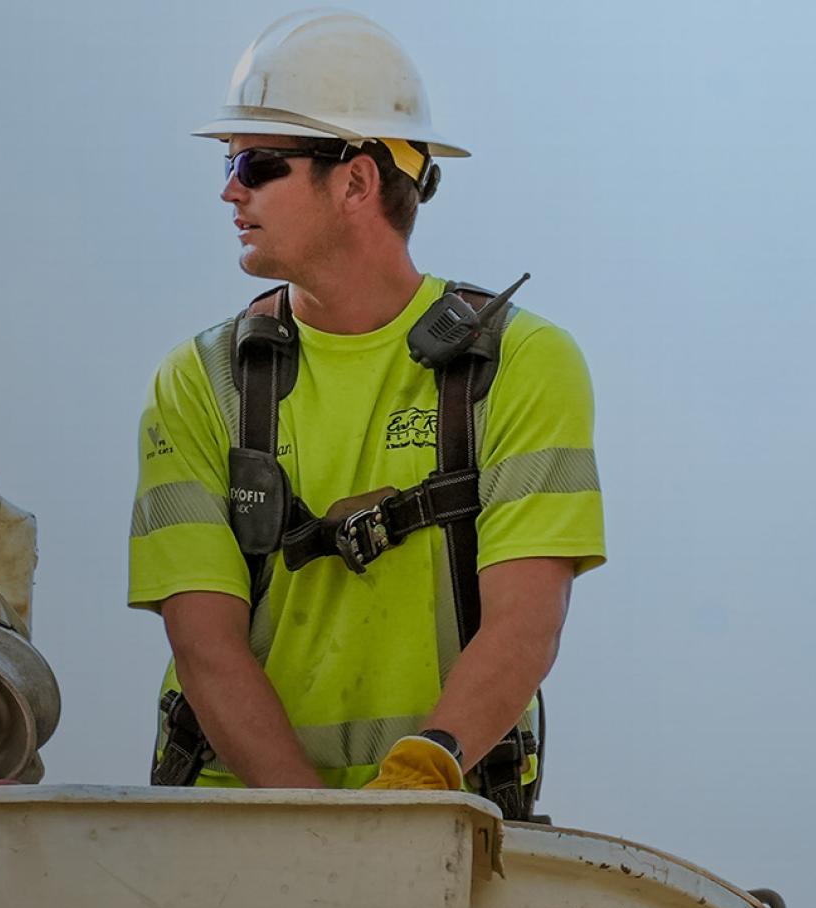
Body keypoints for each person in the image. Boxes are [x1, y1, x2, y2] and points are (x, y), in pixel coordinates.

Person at [127, 9, 604, 808]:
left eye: (257, 161)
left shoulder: (518, 363)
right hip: (236, 819)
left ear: (356, 179)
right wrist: (322, 826)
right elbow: (205, 646)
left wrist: (420, 780)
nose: (229, 188)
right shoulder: (201, 379)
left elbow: (525, 625)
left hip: (444, 811)